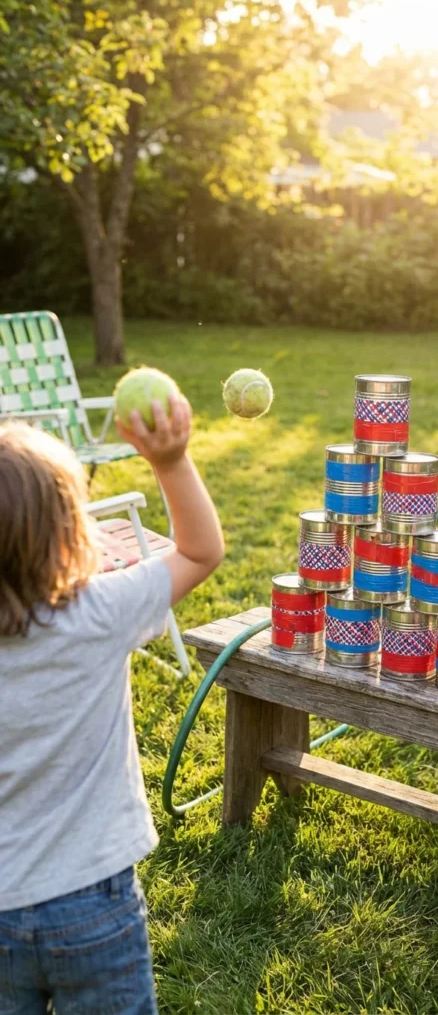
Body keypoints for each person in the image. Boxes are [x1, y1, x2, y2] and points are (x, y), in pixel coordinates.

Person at [0, 394, 224, 1014]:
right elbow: (201, 551)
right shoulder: (98, 613)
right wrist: (171, 460)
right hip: (91, 901)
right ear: (70, 532)